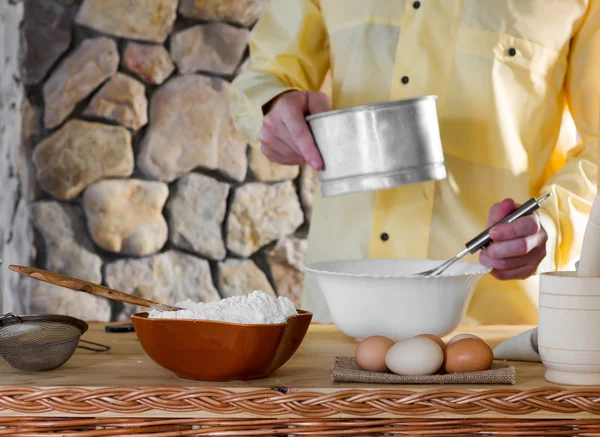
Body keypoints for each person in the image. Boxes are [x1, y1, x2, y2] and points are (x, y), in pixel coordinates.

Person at [230, 0, 599, 325]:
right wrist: (272, 106)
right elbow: (267, 74)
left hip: (492, 328)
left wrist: (554, 224)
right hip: (341, 317)